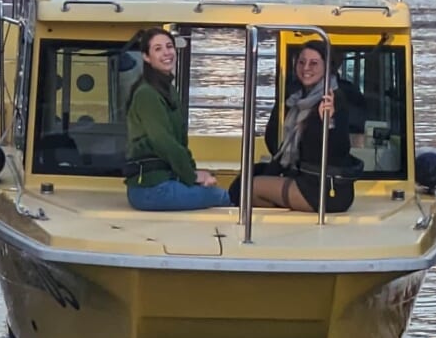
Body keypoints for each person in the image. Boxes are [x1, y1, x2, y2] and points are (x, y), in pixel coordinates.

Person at [124, 28, 231, 211]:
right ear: (146, 57)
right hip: (150, 189)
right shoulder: (146, 94)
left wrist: (193, 172)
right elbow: (163, 141)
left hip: (166, 180)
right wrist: (192, 176)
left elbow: (179, 141)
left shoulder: (168, 90)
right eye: (158, 49)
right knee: (222, 196)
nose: (166, 53)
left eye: (169, 46)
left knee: (214, 189)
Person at [251, 39, 362, 212]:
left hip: (326, 188)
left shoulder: (334, 99)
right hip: (306, 179)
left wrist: (330, 123)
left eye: (314, 63)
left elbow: (340, 150)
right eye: (301, 62)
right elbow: (279, 145)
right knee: (248, 178)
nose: (306, 68)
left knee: (251, 189)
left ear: (328, 67)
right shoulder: (298, 99)